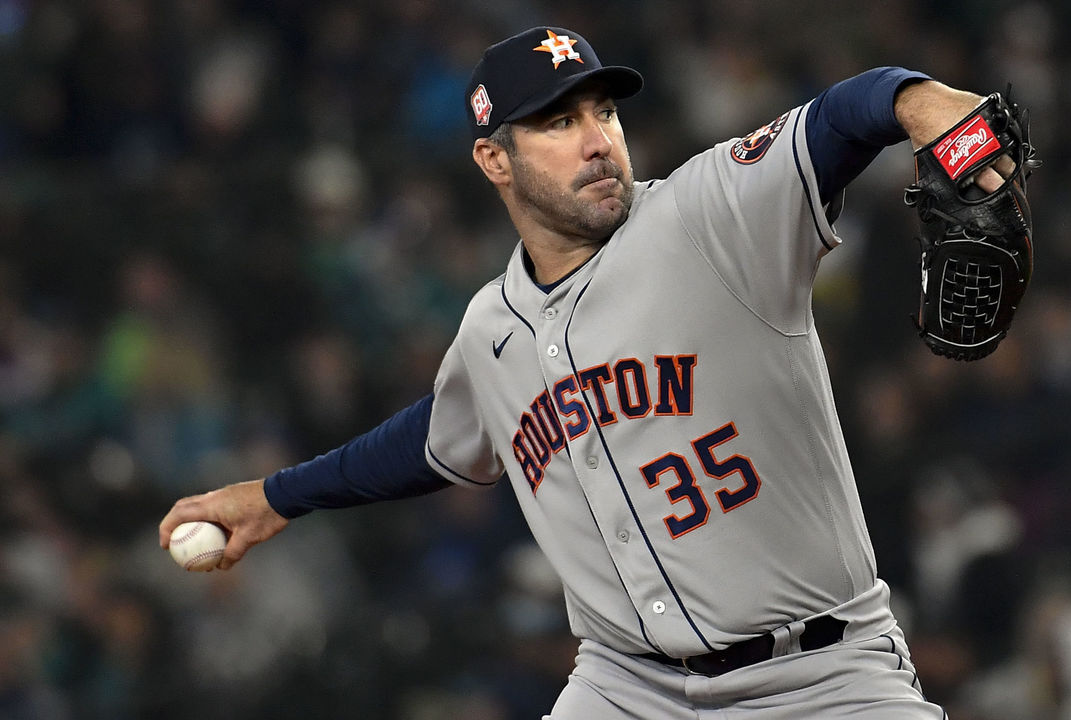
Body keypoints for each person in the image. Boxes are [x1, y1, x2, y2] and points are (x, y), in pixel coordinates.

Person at [160, 25, 1019, 718]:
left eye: (603, 111)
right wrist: (276, 497)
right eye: (558, 122)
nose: (598, 140)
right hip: (629, 690)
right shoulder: (491, 326)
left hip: (822, 679)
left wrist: (923, 101)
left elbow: (843, 114)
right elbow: (436, 436)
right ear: (494, 159)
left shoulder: (709, 213)